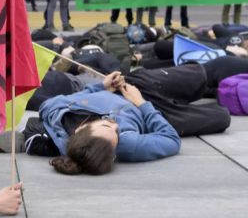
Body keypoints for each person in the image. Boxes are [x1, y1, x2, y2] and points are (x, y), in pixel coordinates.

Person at [29, 72, 181, 175]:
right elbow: (171, 139)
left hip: (118, 86)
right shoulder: (127, 144)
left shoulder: (53, 111)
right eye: (117, 133)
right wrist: (141, 102)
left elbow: (61, 101)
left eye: (106, 125)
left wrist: (101, 86)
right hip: (151, 103)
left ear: (80, 128)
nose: (115, 125)